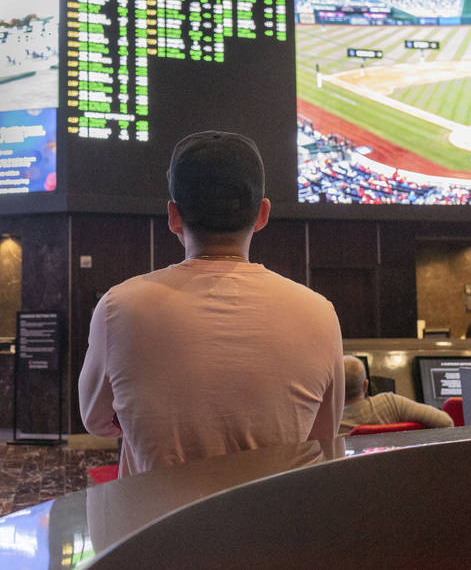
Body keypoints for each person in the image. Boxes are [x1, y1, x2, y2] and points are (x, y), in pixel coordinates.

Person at [79, 131, 344, 477]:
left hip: (155, 529)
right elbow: (322, 441)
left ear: (174, 216)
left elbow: (97, 421)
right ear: (262, 214)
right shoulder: (319, 313)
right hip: (272, 527)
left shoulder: (119, 307)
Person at [339, 356, 452, 435]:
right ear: (365, 385)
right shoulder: (391, 404)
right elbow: (446, 422)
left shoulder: (326, 424)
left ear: (333, 389)